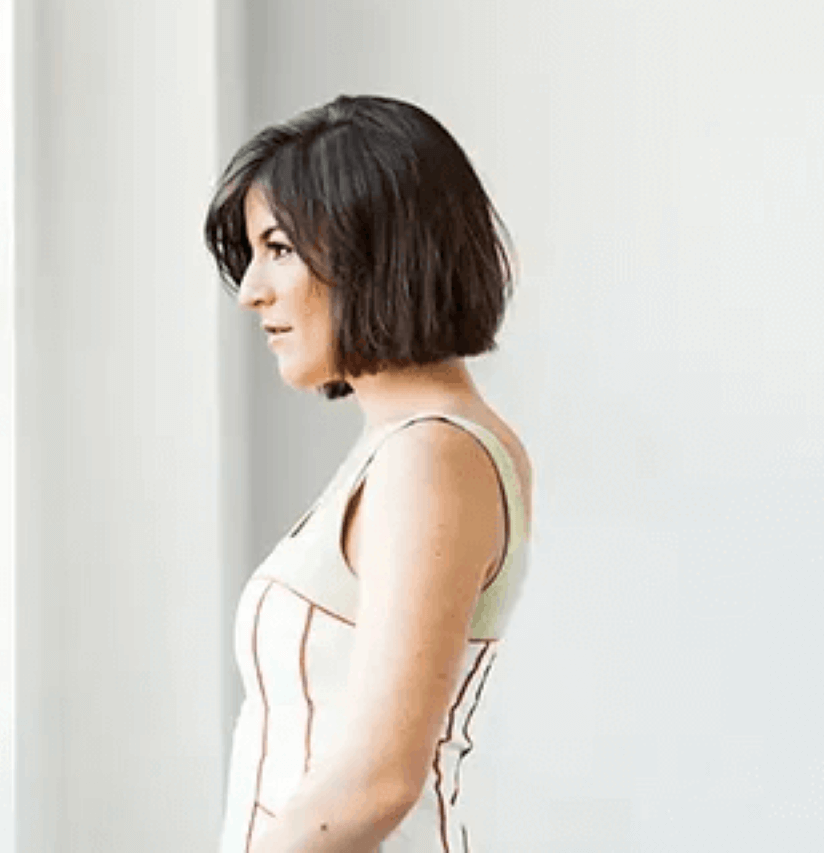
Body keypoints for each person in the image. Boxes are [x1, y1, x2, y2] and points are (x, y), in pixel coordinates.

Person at [204, 94, 534, 853]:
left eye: (279, 248)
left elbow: (378, 780)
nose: (251, 290)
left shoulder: (434, 455)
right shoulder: (408, 448)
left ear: (373, 248)